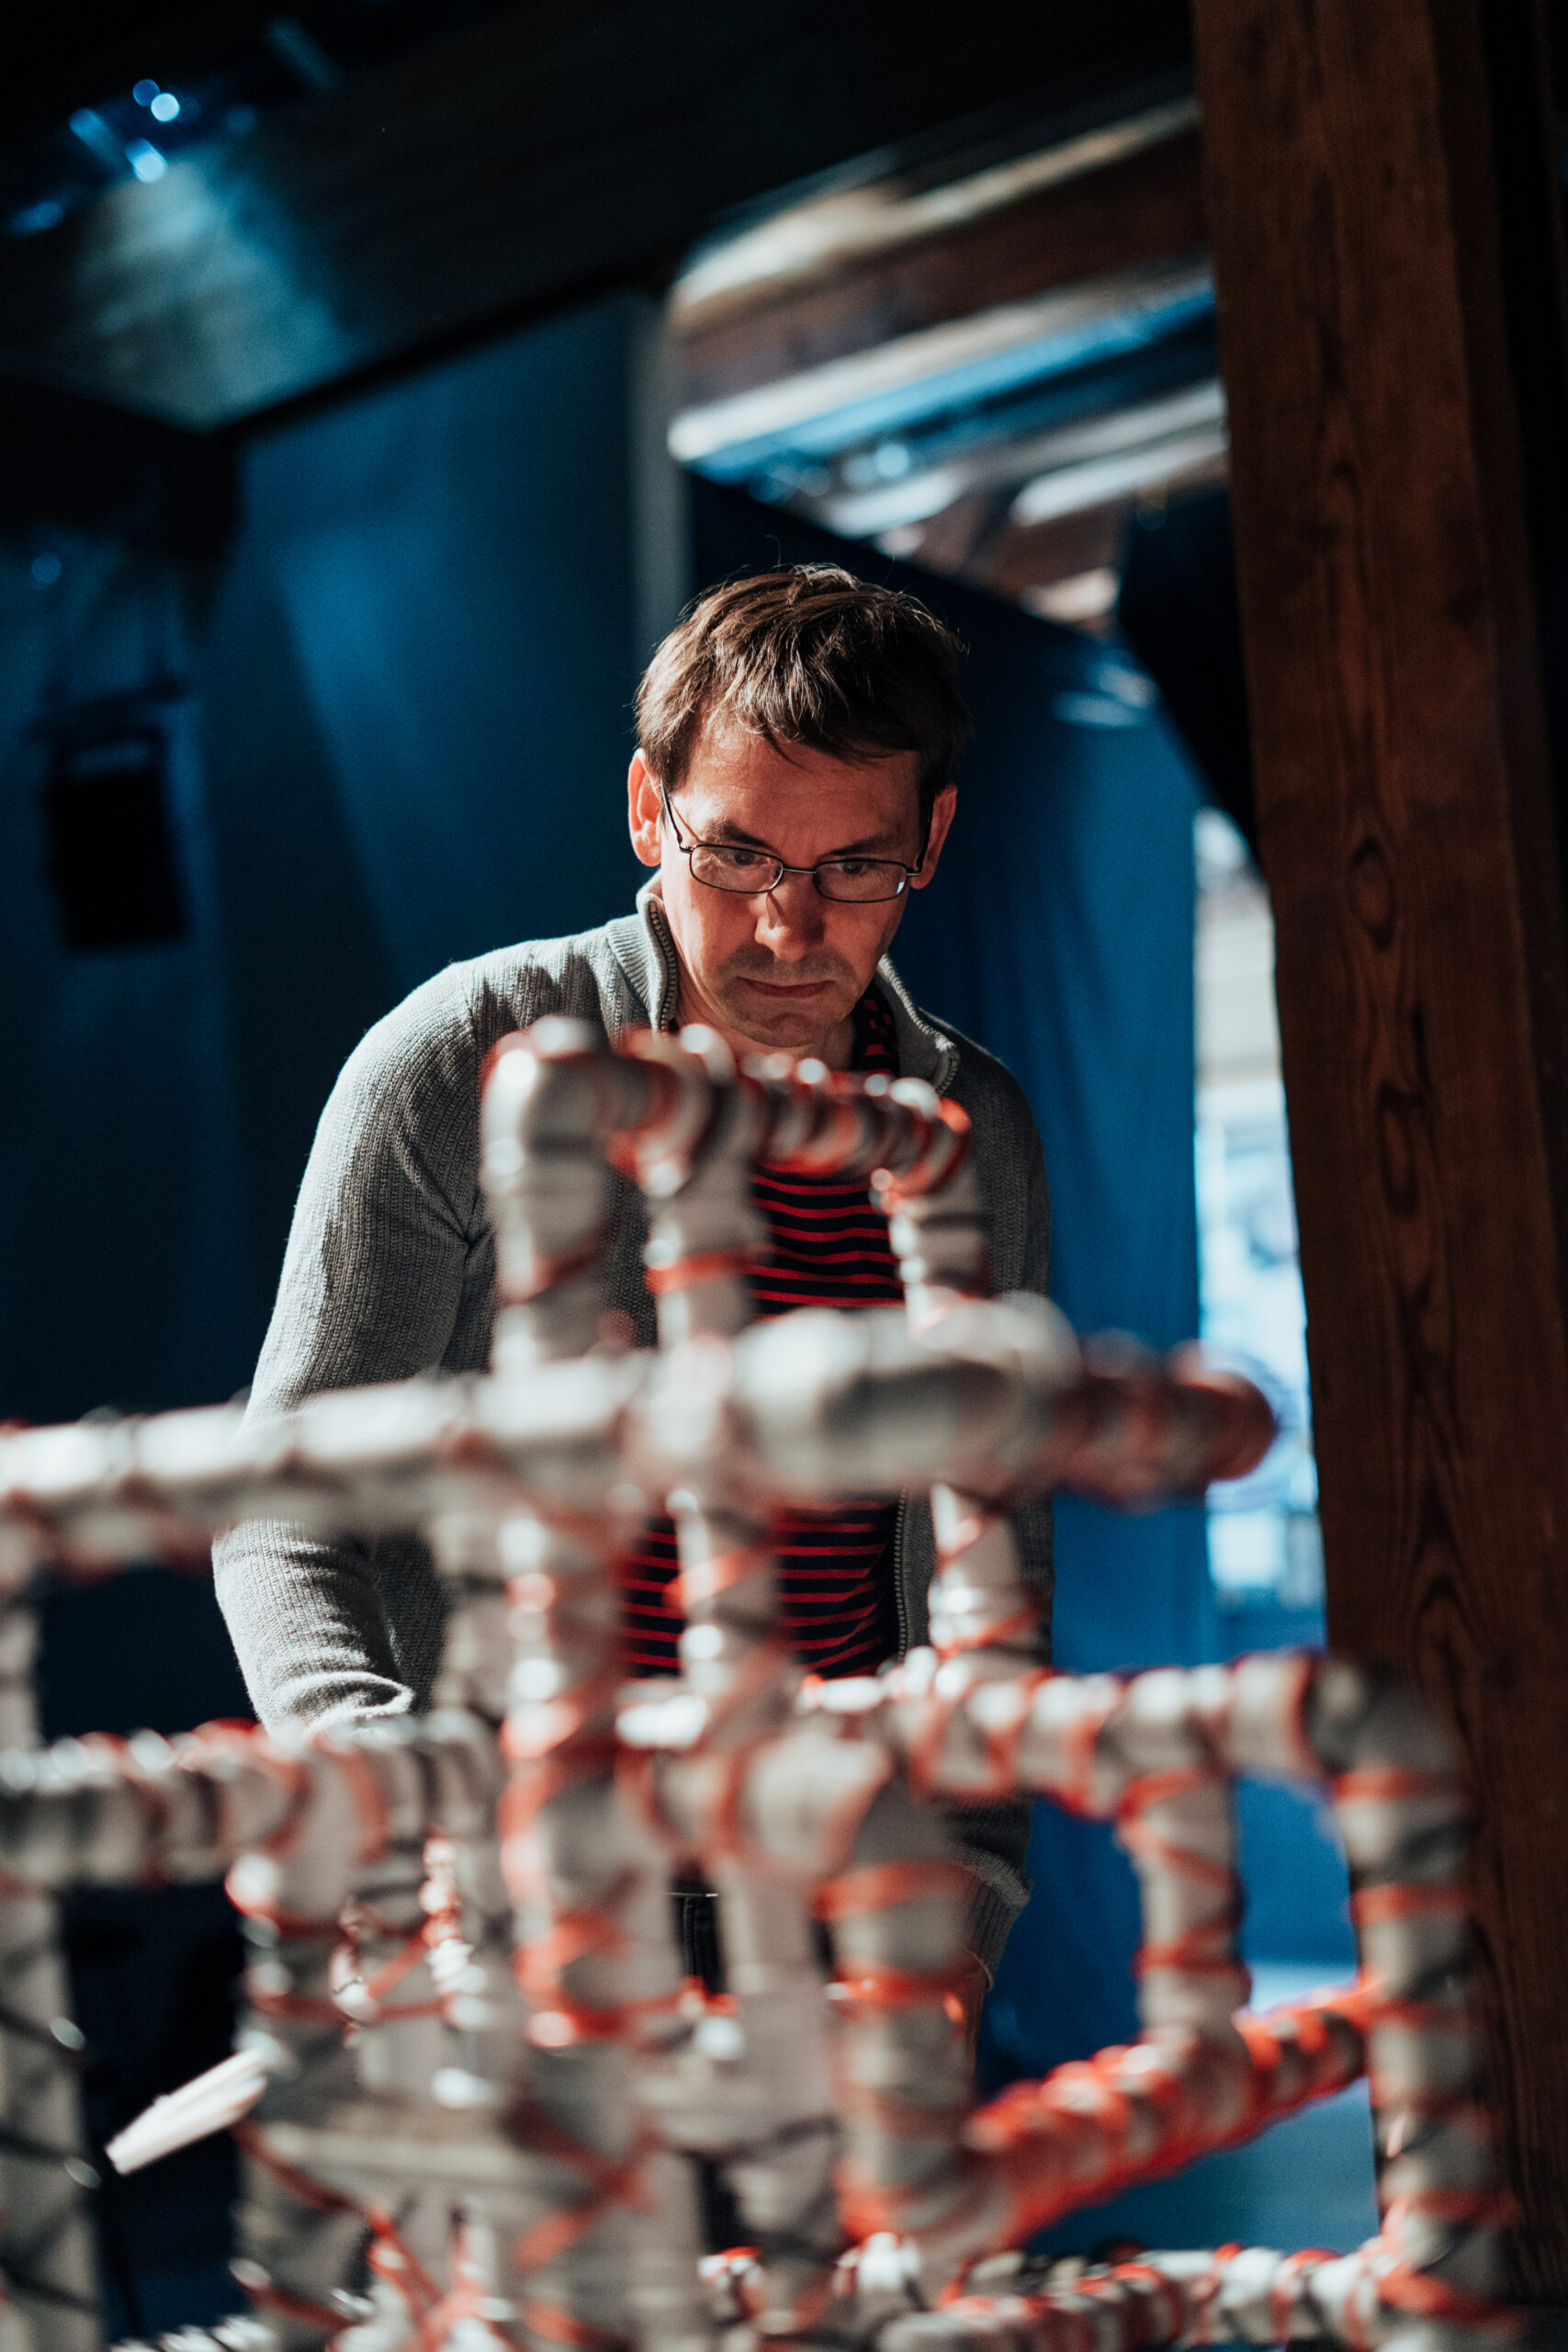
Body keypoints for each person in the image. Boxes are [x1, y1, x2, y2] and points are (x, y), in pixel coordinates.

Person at [214, 564, 1052, 1988]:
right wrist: (402, 1832)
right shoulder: (459, 1061)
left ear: (934, 834)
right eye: (737, 856)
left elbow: (996, 1549)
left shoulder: (972, 1130)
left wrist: (966, 1901)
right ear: (648, 811)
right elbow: (281, 1513)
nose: (789, 930)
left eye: (856, 868)